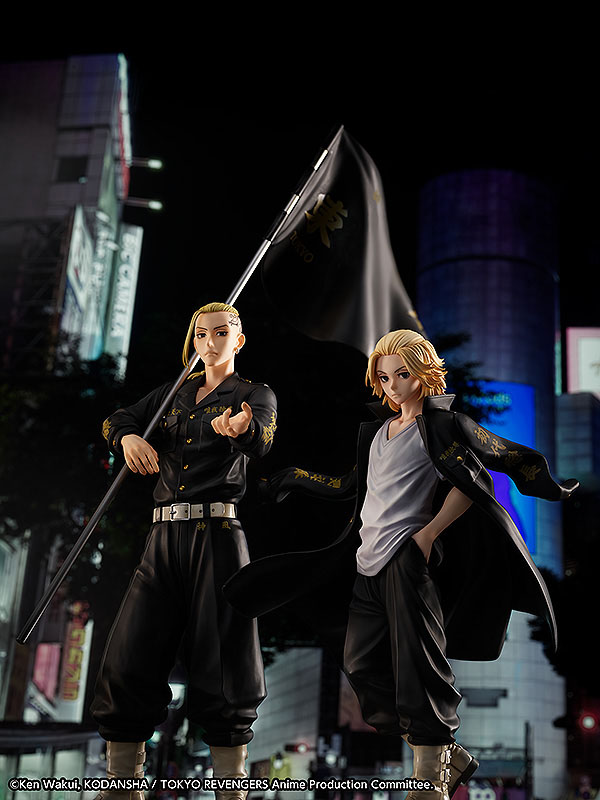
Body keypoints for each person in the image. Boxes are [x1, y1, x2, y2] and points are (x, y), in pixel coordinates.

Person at [224, 329, 578, 800]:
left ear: (424, 373)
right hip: (366, 563)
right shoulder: (374, 433)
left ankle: (430, 775)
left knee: (419, 663)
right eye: (384, 377)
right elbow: (350, 485)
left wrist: (427, 535)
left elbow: (477, 484)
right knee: (360, 665)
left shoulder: (443, 426)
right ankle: (448, 753)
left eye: (402, 374)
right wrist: (296, 478)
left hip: (407, 562)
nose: (392, 385)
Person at [91, 302, 277, 800]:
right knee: (129, 651)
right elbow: (116, 419)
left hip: (217, 535)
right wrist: (128, 437)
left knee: (226, 658)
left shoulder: (254, 393)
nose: (210, 341)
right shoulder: (172, 393)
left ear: (238, 341)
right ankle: (121, 784)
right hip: (162, 537)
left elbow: (263, 438)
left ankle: (230, 787)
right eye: (201, 333)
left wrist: (243, 430)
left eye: (221, 332)